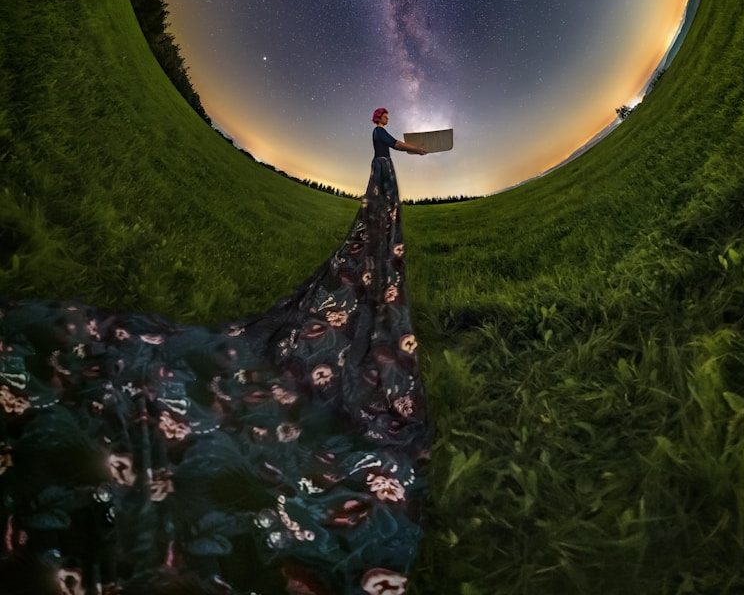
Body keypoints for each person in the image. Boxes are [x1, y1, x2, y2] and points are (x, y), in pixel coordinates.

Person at [0, 112, 434, 595]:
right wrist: (417, 149)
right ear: (379, 120)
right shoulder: (379, 136)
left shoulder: (379, 138)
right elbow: (394, 145)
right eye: (384, 117)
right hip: (385, 171)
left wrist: (414, 150)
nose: (386, 120)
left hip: (385, 172)